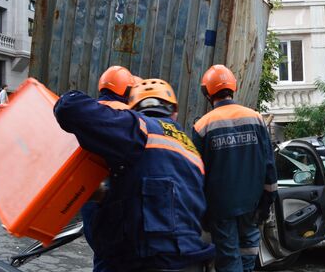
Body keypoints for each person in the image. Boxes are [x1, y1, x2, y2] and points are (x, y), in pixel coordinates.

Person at [54, 78, 215, 271]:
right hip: (192, 261)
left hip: (146, 261)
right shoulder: (192, 151)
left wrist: (95, 103)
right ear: (174, 112)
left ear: (132, 108)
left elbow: (69, 107)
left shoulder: (137, 127)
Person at [192, 64, 276, 272]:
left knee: (229, 257)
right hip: (252, 202)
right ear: (233, 88)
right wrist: (268, 199)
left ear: (208, 93)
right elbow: (269, 164)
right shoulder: (255, 118)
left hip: (221, 207)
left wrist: (200, 211)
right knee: (248, 251)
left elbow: (196, 174)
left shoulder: (203, 126)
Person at [80, 66, 138, 271]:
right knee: (118, 258)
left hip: (88, 195)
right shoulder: (127, 115)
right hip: (115, 197)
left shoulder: (88, 110)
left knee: (102, 255)